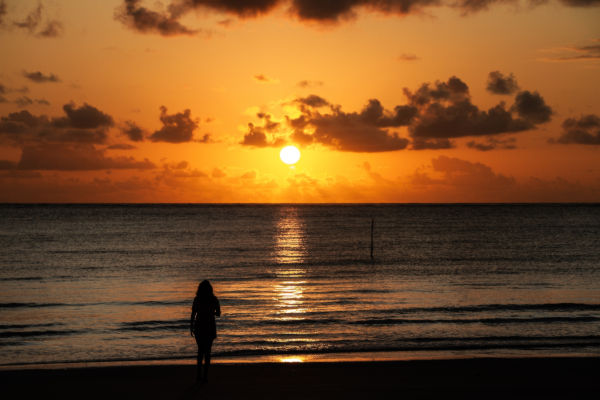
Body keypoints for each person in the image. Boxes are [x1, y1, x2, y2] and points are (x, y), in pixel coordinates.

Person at [190, 280, 220, 383]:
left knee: (200, 351)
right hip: (210, 326)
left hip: (199, 326)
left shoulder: (197, 299)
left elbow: (193, 314)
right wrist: (212, 312)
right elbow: (219, 313)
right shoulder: (214, 299)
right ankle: (205, 377)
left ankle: (198, 376)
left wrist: (191, 327)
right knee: (207, 352)